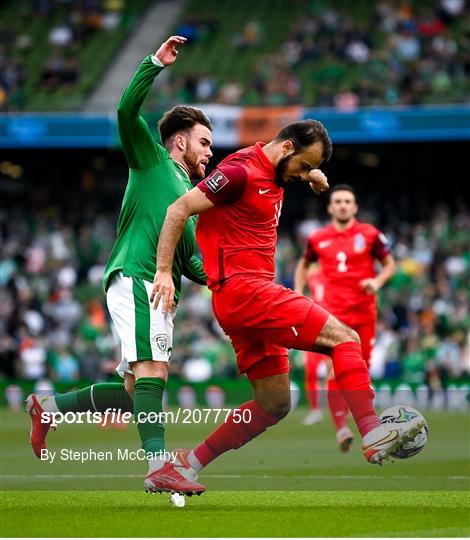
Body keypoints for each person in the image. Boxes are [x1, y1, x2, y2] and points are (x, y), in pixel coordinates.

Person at [150, 120, 424, 494]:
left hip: (238, 300)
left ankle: (185, 464)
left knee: (274, 403)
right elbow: (178, 209)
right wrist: (165, 271)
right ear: (286, 149)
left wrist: (312, 176)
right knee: (345, 339)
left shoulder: (273, 166)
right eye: (302, 166)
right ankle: (372, 430)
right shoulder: (239, 172)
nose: (301, 175)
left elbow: (285, 172)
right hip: (247, 292)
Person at [26, 36, 211, 495]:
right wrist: (153, 64)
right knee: (153, 373)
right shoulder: (151, 162)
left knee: (132, 393)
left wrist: (231, 281)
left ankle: (47, 407)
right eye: (205, 143)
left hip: (159, 287)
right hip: (139, 277)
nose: (210, 152)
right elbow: (127, 114)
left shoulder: (189, 200)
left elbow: (190, 261)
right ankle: (158, 465)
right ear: (180, 141)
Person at [294, 184, 396, 451]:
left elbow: (390, 264)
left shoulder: (370, 234)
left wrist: (377, 281)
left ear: (355, 207)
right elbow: (303, 265)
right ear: (330, 207)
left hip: (364, 312)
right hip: (334, 313)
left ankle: (355, 416)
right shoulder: (318, 238)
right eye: (337, 201)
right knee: (332, 367)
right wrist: (298, 291)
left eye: (347, 201)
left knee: (360, 370)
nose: (342, 205)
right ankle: (341, 428)